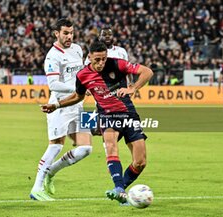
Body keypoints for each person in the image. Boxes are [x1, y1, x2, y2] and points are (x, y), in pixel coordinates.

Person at [41, 41, 154, 205]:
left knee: (140, 162)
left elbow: (147, 72)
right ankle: (119, 189)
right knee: (111, 145)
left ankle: (120, 189)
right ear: (89, 58)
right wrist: (56, 105)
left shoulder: (117, 64)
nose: (101, 63)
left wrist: (134, 87)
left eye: (103, 59)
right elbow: (77, 97)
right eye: (97, 60)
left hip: (128, 114)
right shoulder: (83, 75)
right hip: (107, 115)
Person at [30, 18, 92, 201]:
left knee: (86, 148)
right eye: (65, 33)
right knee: (56, 145)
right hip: (60, 106)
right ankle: (36, 188)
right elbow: (53, 83)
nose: (69, 36)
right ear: (56, 33)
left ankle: (51, 172)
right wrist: (78, 88)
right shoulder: (52, 56)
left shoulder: (77, 49)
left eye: (71, 32)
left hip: (78, 104)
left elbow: (81, 73)